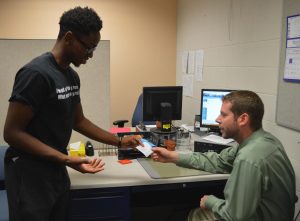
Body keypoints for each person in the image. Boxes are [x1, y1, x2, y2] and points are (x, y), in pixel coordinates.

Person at [3, 6, 142, 221]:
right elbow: (12, 133)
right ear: (68, 38)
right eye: (88, 48)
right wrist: (66, 159)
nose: (91, 55)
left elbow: (79, 121)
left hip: (55, 168)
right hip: (29, 172)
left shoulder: (71, 76)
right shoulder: (36, 74)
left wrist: (119, 142)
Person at [152, 90, 297, 221]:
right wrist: (173, 157)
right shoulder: (265, 141)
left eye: (224, 114)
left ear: (243, 119)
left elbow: (234, 216)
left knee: (196, 214)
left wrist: (211, 201)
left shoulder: (249, 157)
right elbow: (219, 161)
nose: (217, 119)